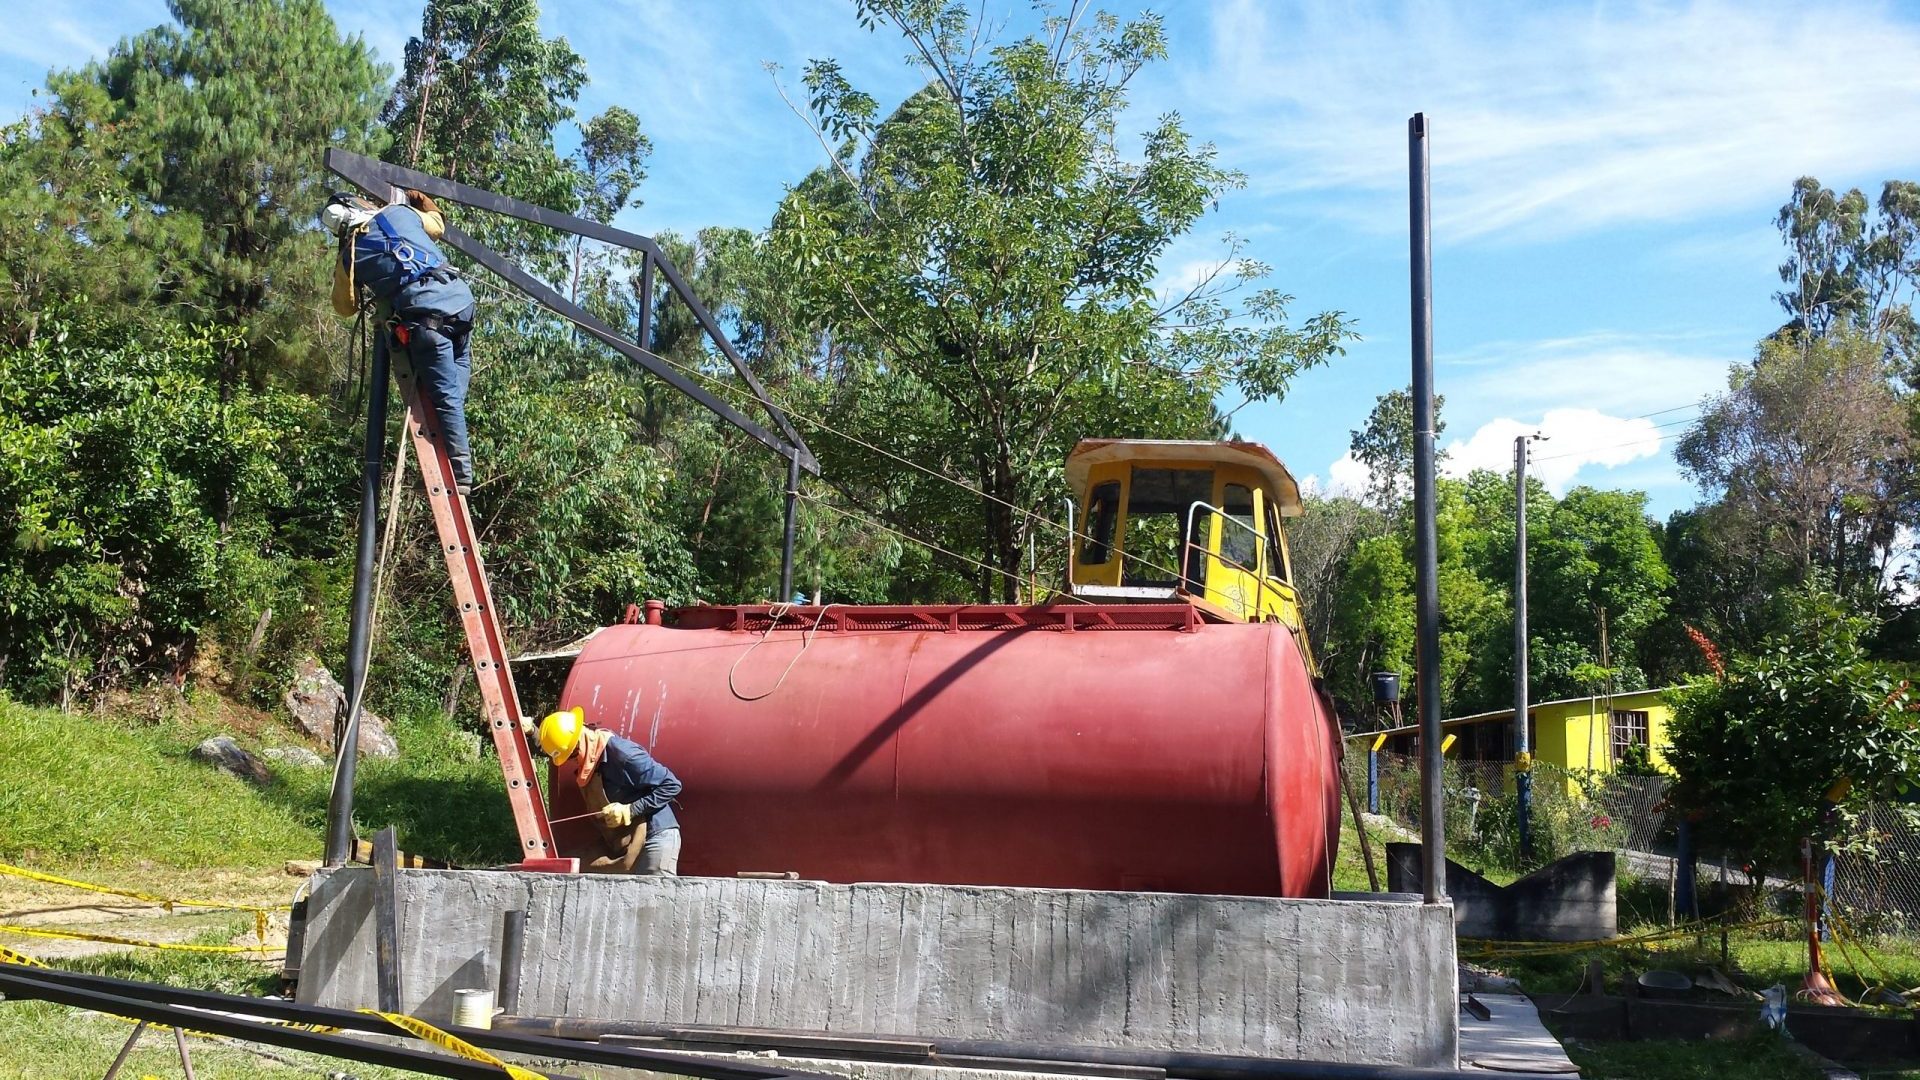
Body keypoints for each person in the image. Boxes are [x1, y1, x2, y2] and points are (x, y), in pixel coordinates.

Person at [322, 189, 479, 495]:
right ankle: (451, 457)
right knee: (452, 393)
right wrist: (423, 201)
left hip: (428, 322)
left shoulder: (350, 255)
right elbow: (436, 224)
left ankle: (459, 473)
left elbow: (345, 307)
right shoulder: (398, 214)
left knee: (444, 396)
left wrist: (351, 268)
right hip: (461, 304)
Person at [536, 707, 683, 875]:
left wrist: (630, 809)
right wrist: (533, 732)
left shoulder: (624, 755)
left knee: (654, 898)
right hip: (625, 843)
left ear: (580, 736)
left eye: (572, 753)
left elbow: (672, 784)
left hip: (656, 837)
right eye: (568, 757)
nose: (573, 759)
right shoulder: (590, 761)